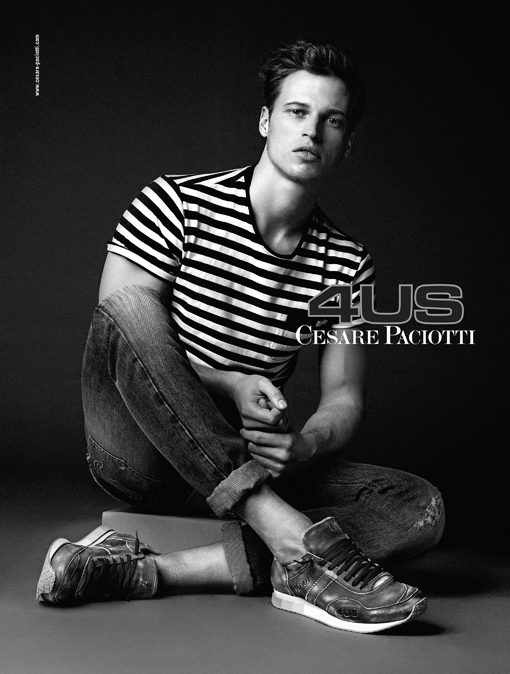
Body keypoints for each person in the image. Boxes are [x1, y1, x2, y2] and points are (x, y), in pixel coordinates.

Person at [36, 39, 444, 634]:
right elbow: (118, 335)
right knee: (129, 305)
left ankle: (148, 571)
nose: (312, 131)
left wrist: (306, 445)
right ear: (265, 121)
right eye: (297, 112)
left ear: (347, 144)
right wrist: (229, 383)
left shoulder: (348, 265)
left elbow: (344, 397)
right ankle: (290, 537)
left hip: (242, 459)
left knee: (418, 506)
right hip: (141, 455)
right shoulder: (175, 201)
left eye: (332, 120)